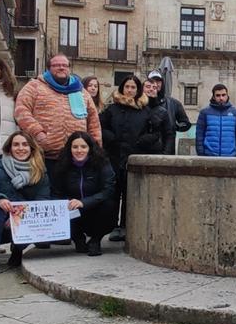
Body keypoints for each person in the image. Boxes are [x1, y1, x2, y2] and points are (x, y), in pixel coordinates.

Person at [100, 76, 172, 240]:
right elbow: (100, 126)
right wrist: (110, 137)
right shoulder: (112, 109)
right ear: (122, 88)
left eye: (133, 87)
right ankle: (111, 226)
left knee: (129, 194)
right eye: (127, 87)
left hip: (134, 156)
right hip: (113, 157)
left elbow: (155, 132)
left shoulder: (145, 110)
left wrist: (142, 141)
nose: (130, 90)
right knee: (112, 193)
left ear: (137, 90)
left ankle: (125, 226)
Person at [0, 131, 52, 275]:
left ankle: (17, 251)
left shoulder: (40, 171)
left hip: (23, 218)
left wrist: (20, 215)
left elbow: (43, 199)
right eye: (16, 144)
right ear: (9, 148)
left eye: (25, 144)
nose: (21, 148)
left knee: (36, 216)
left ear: (31, 148)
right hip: (0, 218)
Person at [14, 54, 102, 170]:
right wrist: (38, 133)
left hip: (76, 158)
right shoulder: (34, 87)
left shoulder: (81, 91)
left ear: (69, 69)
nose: (61, 68)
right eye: (56, 65)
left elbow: (93, 122)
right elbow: (21, 111)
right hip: (43, 158)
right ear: (49, 68)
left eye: (64, 65)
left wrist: (96, 149)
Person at [51, 132, 116, 256]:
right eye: (75, 147)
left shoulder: (102, 163)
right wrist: (68, 202)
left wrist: (83, 202)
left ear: (90, 148)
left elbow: (108, 190)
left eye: (83, 147)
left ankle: (95, 240)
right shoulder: (62, 166)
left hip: (94, 208)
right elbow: (56, 192)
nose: (79, 150)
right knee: (58, 207)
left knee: (109, 205)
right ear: (69, 149)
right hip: (73, 210)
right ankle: (78, 239)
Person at [148, 69, 192, 154]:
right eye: (152, 81)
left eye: (158, 81)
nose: (156, 84)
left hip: (167, 149)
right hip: (146, 151)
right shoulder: (141, 103)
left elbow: (186, 123)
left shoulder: (174, 103)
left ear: (162, 83)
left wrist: (174, 126)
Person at [195, 84, 236, 157]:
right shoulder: (205, 113)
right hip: (209, 156)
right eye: (218, 95)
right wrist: (201, 154)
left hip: (230, 156)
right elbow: (199, 135)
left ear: (227, 96)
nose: (221, 98)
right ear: (213, 97)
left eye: (223, 95)